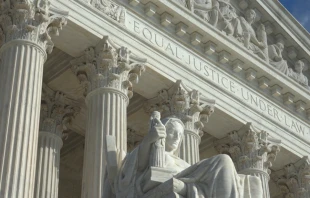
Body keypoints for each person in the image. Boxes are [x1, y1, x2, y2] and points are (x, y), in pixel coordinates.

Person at [114, 115, 263, 197]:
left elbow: (192, 182)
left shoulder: (182, 162)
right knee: (223, 160)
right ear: (163, 131)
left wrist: (186, 188)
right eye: (172, 131)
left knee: (253, 182)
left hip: (191, 184)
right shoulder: (150, 154)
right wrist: (149, 140)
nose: (177, 136)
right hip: (172, 185)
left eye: (180, 134)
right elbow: (134, 171)